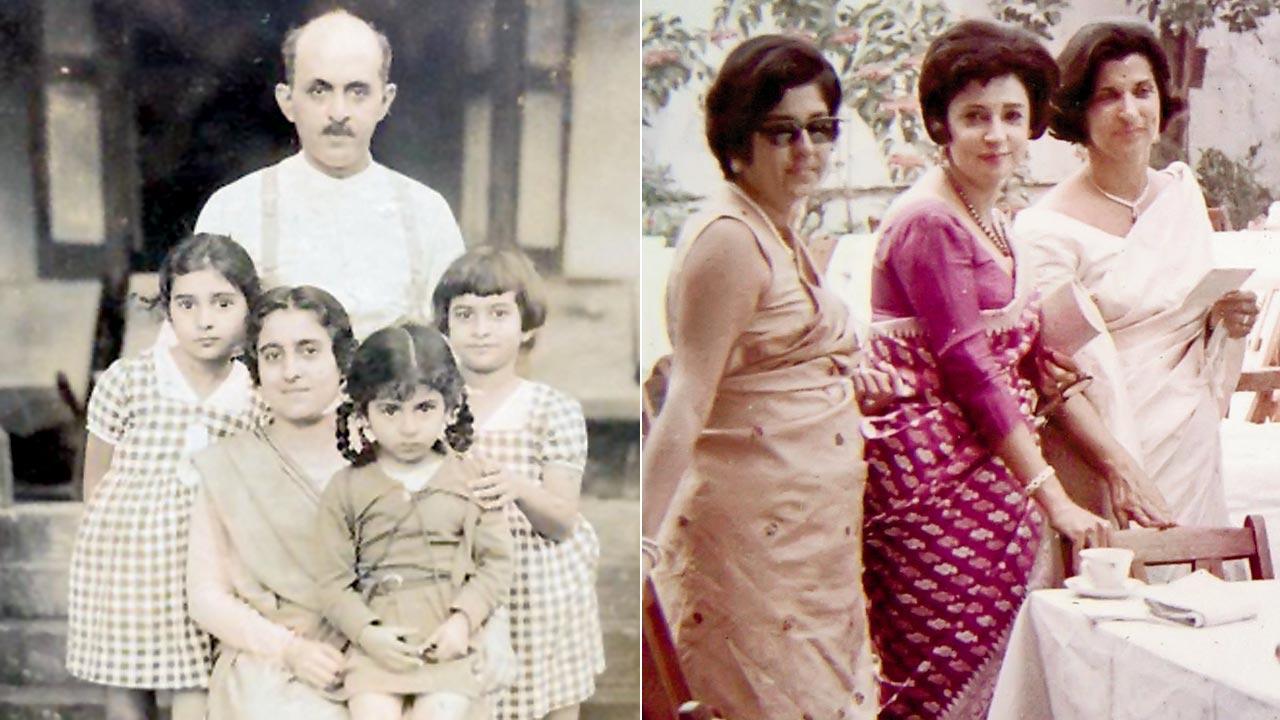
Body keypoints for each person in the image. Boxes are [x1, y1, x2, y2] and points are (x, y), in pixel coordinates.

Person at [859, 20, 1171, 719]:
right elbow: (969, 367)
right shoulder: (929, 223)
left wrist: (1049, 369)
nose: (995, 134)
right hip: (932, 489)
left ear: (1032, 120)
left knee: (996, 684)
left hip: (992, 476)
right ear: (941, 123)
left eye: (1010, 114)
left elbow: (1018, 349)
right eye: (974, 117)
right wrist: (1052, 495)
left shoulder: (997, 217)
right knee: (936, 685)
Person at [642, 34, 877, 719]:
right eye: (781, 133)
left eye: (819, 129)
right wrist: (643, 551)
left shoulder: (779, 227)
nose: (805, 149)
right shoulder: (730, 241)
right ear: (738, 140)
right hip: (753, 551)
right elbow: (686, 402)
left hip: (807, 546)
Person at [1015, 20, 1259, 530]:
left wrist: (1222, 320)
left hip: (1189, 431)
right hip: (1107, 443)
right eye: (1108, 96)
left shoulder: (1179, 192)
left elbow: (1187, 316)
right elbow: (1057, 380)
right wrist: (1117, 466)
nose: (1130, 111)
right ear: (1079, 109)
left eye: (1142, 91)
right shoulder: (1044, 229)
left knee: (1198, 583)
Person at [67, 234, 262, 720]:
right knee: (126, 682)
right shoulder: (129, 380)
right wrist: (108, 541)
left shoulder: (253, 391)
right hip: (129, 559)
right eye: (187, 303)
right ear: (167, 309)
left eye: (222, 302)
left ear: (248, 309)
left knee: (196, 682)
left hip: (207, 556)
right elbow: (97, 479)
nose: (205, 319)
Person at [195, 8, 465, 338]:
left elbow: (455, 349)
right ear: (287, 100)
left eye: (358, 92)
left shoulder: (427, 213)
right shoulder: (234, 209)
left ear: (385, 100)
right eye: (319, 90)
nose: (338, 113)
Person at [433, 247, 605, 720]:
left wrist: (517, 486)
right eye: (465, 315)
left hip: (539, 591)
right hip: (462, 588)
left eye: (498, 313)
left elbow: (562, 522)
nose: (481, 329)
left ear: (526, 325)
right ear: (445, 327)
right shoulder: (431, 410)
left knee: (547, 702)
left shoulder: (552, 409)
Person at [319, 323, 514, 720]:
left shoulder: (474, 479)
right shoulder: (346, 488)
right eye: (390, 410)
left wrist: (462, 621)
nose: (408, 428)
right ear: (363, 412)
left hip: (447, 646)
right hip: (376, 652)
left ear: (450, 406)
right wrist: (367, 634)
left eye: (424, 408)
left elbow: (496, 563)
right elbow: (331, 581)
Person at [185, 285, 356, 719]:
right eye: (273, 355)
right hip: (273, 659)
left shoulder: (385, 454)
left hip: (376, 652)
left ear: (342, 362)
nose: (291, 370)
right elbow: (206, 595)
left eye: (309, 350)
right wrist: (291, 651)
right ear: (257, 372)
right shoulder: (230, 465)